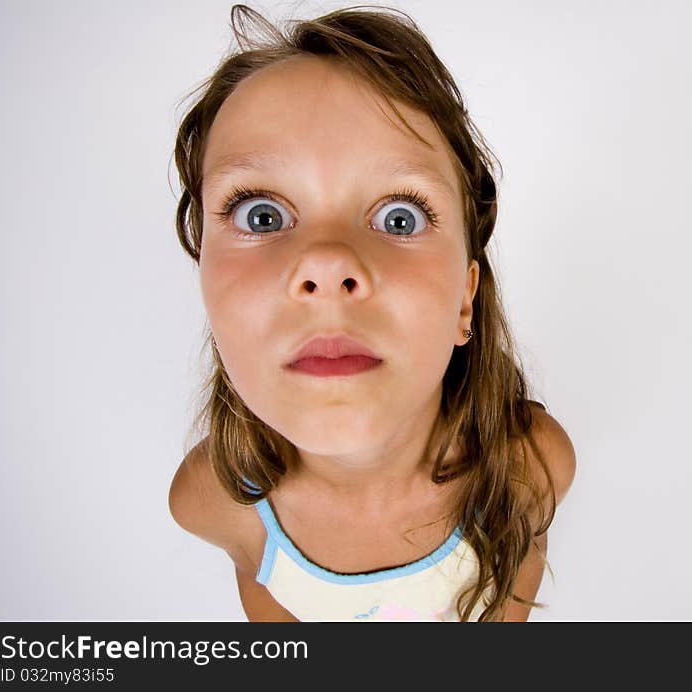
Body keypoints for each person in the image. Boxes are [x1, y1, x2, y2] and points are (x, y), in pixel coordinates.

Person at [167, 3, 577, 622]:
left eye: (399, 217)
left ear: (465, 299)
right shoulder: (210, 501)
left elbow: (524, 551)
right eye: (261, 215)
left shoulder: (531, 463)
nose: (327, 264)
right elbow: (257, 579)